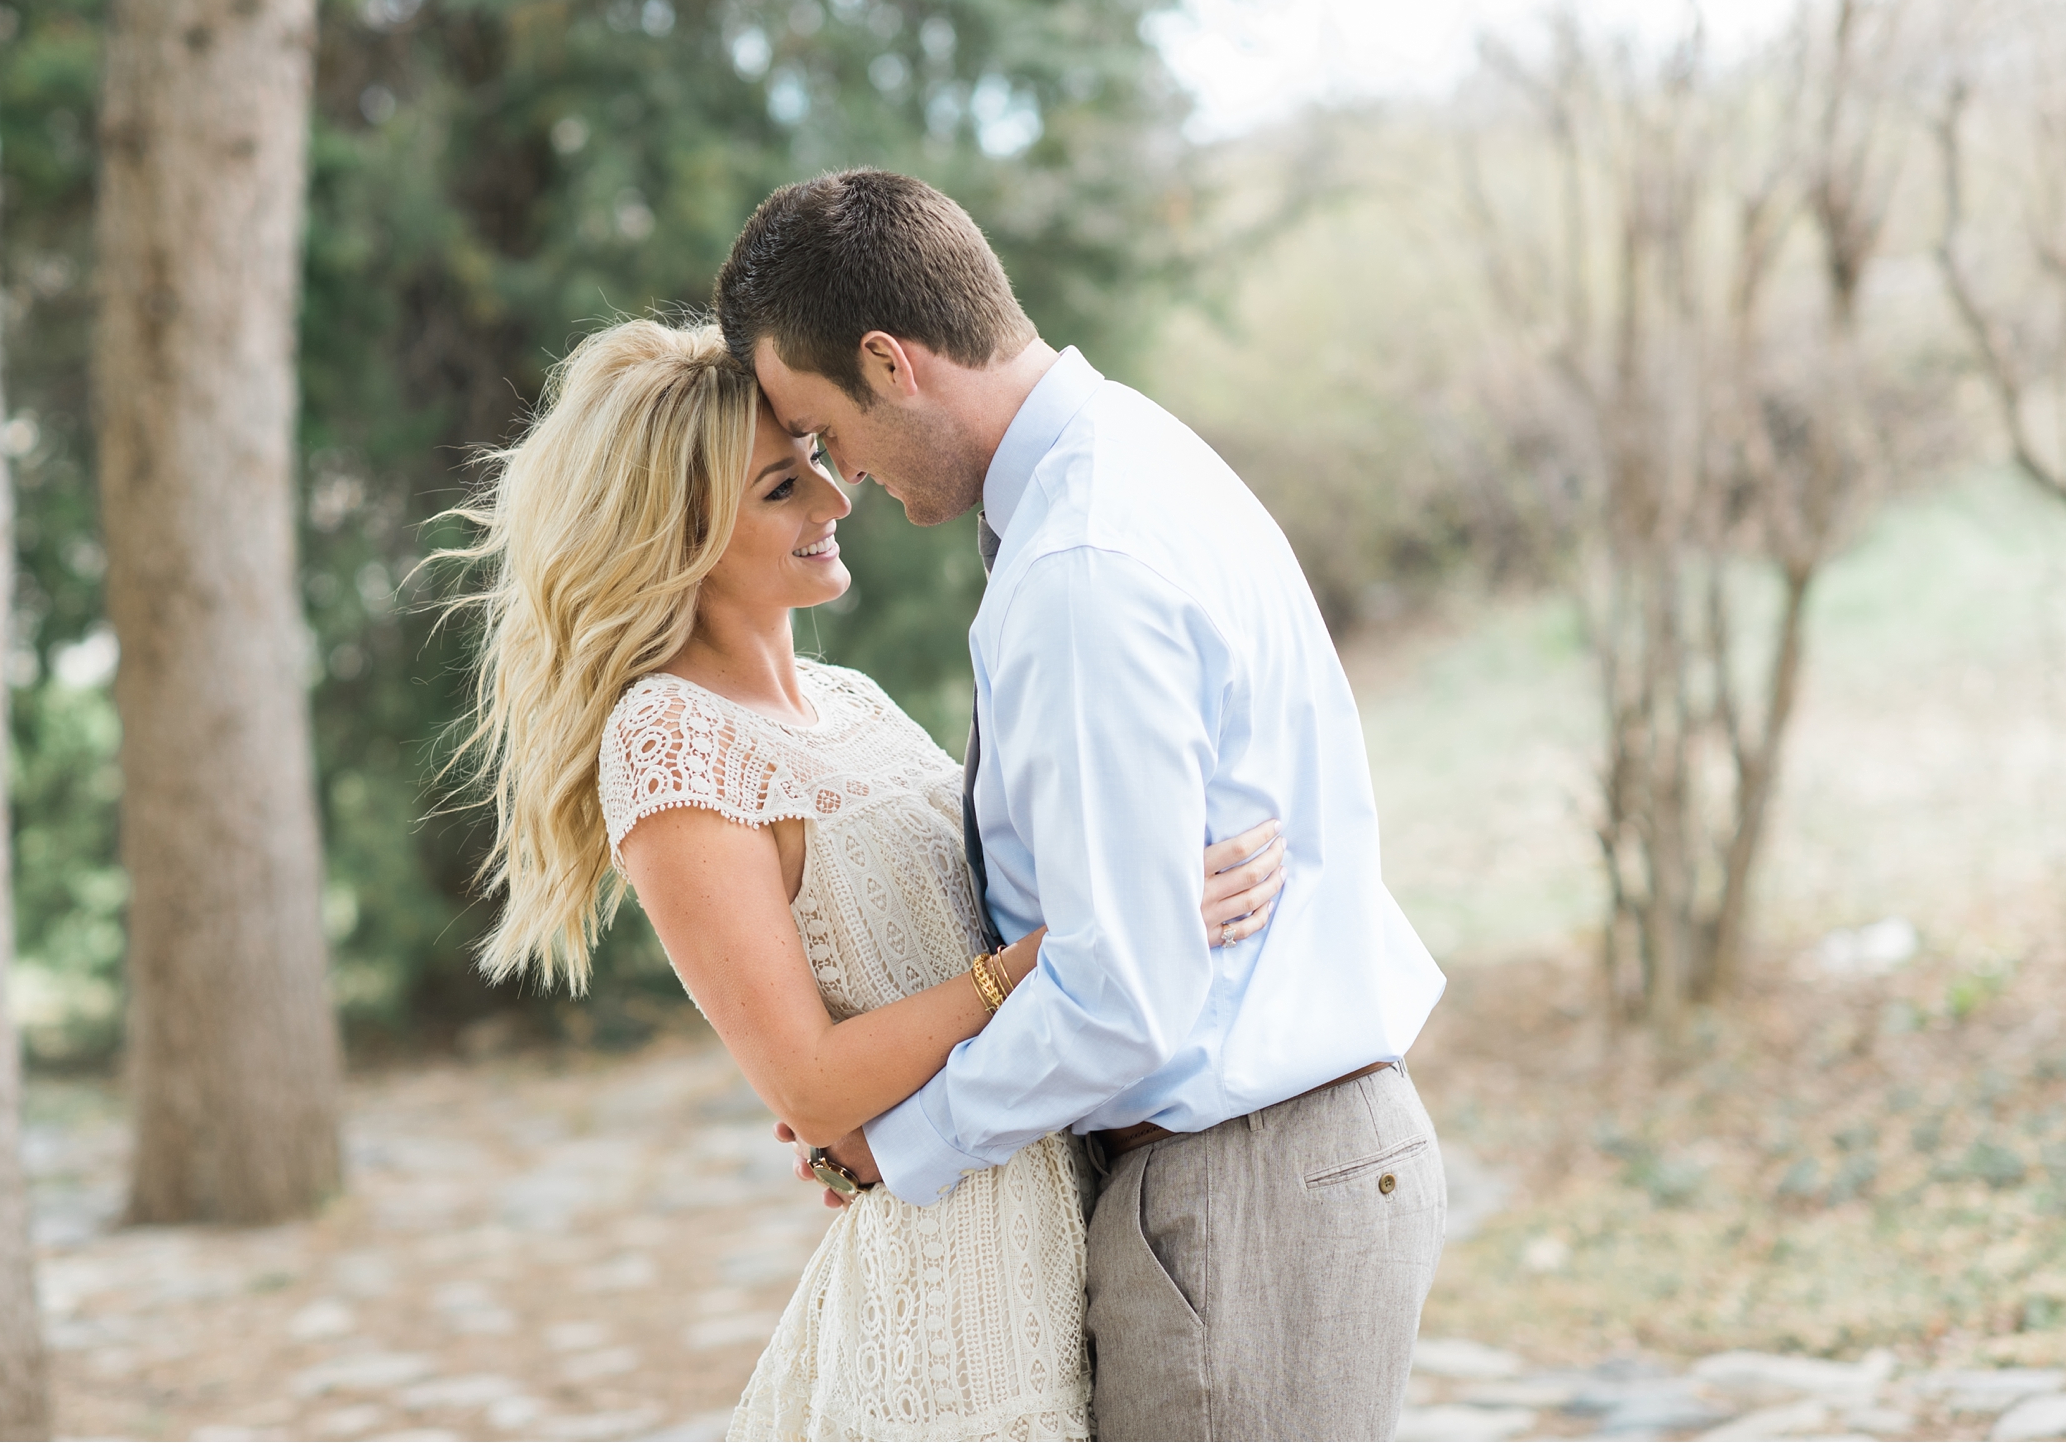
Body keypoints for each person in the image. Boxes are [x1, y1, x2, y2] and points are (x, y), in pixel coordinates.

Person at [443, 317, 1288, 1441]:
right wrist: (1060, 953)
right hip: (955, 1282)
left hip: (1056, 1205)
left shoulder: (850, 700)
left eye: (822, 465)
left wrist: (1134, 889)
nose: (837, 503)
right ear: (678, 531)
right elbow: (809, 1087)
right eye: (782, 487)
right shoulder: (668, 741)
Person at [714, 169, 1450, 1441]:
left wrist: (904, 1143)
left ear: (890, 361)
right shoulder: (1136, 463)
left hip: (1241, 1192)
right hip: (1286, 1167)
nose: (840, 478)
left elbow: (1123, 993)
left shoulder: (1079, 570)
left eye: (824, 431)